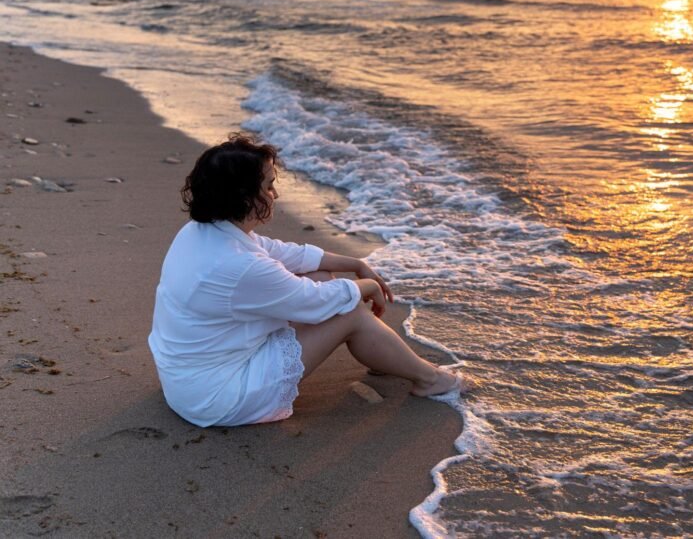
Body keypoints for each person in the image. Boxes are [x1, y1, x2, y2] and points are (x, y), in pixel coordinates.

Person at [148, 134, 460, 427]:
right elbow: (315, 302)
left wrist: (356, 264)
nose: (275, 194)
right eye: (268, 186)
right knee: (348, 310)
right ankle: (430, 380)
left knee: (323, 278)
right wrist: (369, 286)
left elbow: (283, 253)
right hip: (216, 397)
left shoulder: (202, 232)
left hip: (186, 378)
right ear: (244, 196)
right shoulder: (239, 266)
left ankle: (382, 354)